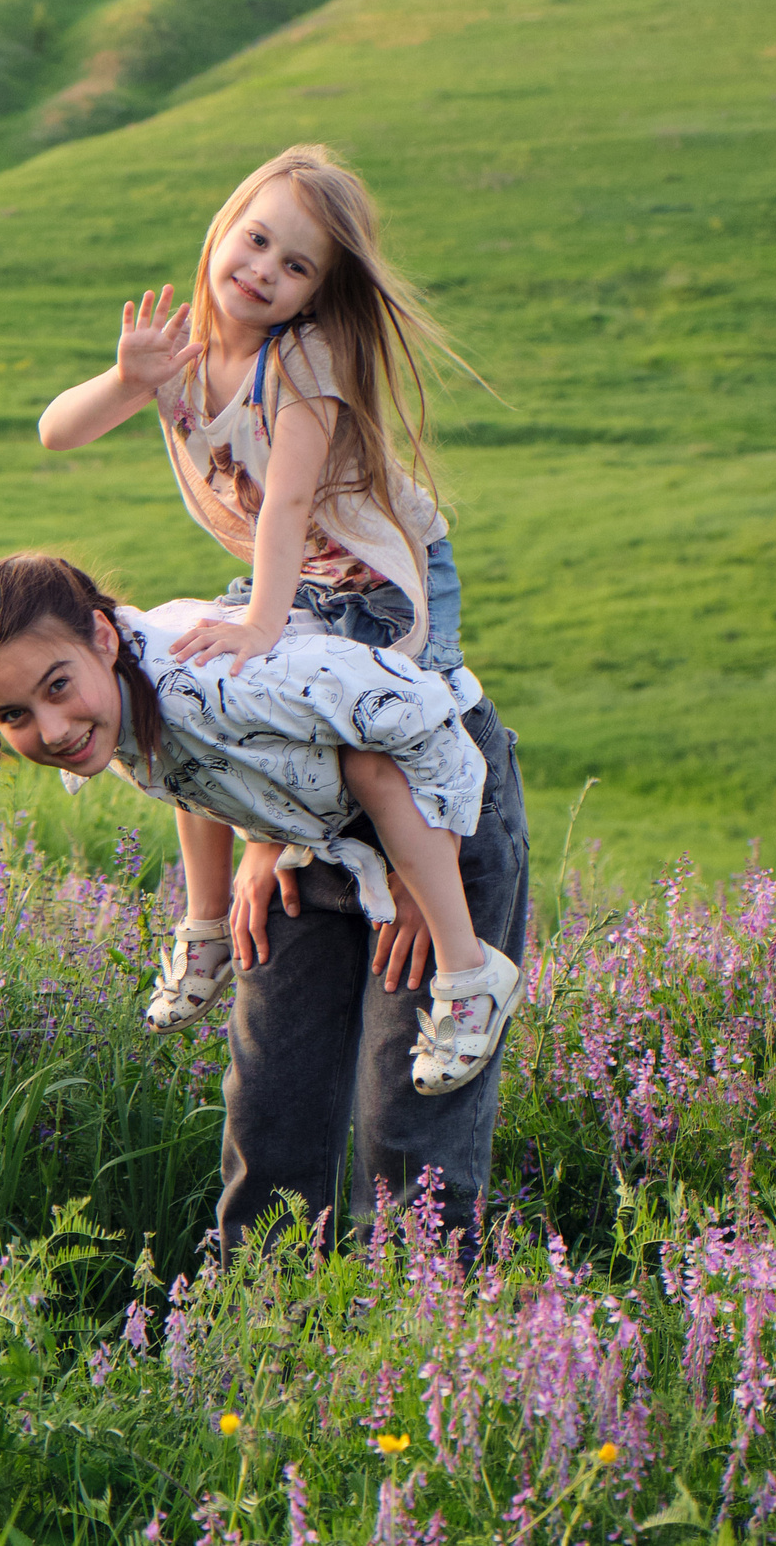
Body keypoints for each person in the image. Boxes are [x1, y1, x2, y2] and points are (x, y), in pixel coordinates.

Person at [35, 144, 490, 1036]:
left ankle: (467, 969)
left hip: (382, 579)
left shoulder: (303, 365)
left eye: (295, 267)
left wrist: (257, 623)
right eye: (255, 241)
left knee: (399, 732)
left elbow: (284, 505)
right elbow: (56, 432)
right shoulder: (177, 354)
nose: (263, 272)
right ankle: (204, 928)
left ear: (317, 296)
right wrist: (130, 379)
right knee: (177, 696)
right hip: (292, 579)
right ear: (220, 231)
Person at [0, 555, 526, 1163]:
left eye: (56, 687)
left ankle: (472, 973)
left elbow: (423, 717)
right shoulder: (114, 692)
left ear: (103, 637)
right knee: (268, 1110)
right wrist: (261, 840)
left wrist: (430, 874)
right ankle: (208, 928)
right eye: (15, 716)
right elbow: (196, 765)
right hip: (316, 813)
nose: (53, 729)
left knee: (405, 1132)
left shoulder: (216, 687)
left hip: (431, 788)